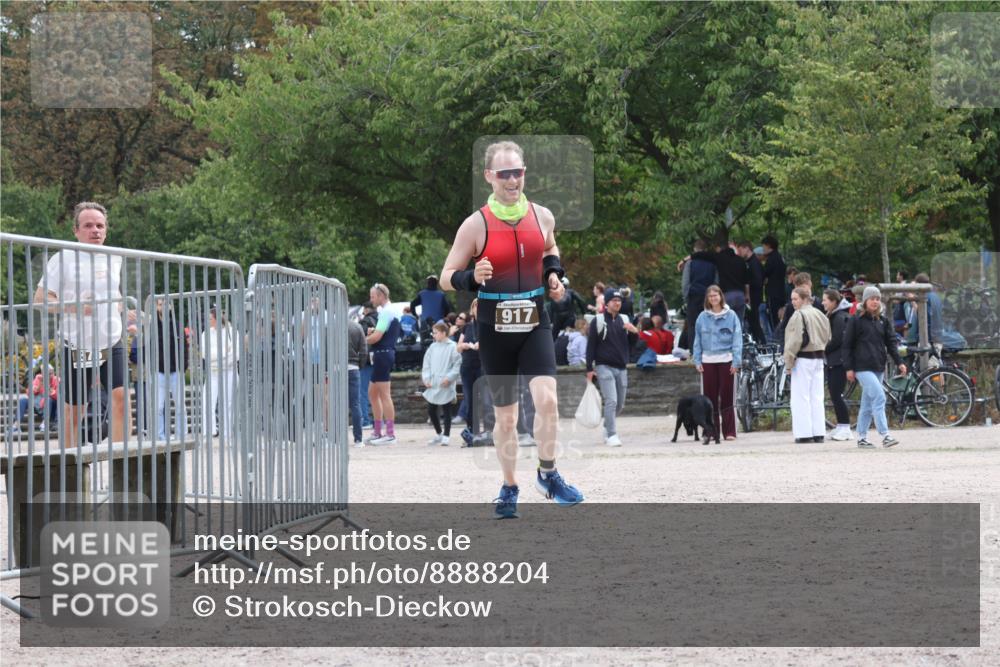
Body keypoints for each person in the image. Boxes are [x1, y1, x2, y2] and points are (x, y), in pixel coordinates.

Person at [441, 139, 584, 518]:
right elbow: (444, 276)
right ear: (489, 176)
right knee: (505, 417)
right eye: (503, 173)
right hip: (494, 327)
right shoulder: (475, 225)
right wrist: (472, 276)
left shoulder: (542, 216)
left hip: (535, 321)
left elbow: (551, 249)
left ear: (524, 173)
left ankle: (548, 473)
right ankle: (509, 486)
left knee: (549, 402)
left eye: (517, 172)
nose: (511, 180)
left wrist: (554, 275)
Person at [33, 202, 133, 448]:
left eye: (100, 226)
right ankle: (71, 467)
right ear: (76, 231)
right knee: (75, 409)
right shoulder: (62, 258)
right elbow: (40, 300)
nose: (95, 230)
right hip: (77, 343)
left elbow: (113, 294)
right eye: (88, 225)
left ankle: (123, 465)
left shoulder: (114, 258)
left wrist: (125, 310)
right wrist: (74, 306)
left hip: (110, 340)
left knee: (121, 397)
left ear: (106, 231)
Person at [843, 286, 907, 449]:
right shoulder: (855, 320)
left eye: (878, 299)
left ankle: (862, 437)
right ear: (865, 300)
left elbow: (891, 343)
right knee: (880, 397)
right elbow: (847, 346)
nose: (875, 301)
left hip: (878, 365)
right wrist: (849, 367)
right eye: (872, 298)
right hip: (862, 367)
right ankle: (885, 435)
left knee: (867, 404)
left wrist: (899, 362)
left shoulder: (883, 321)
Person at [586, 290, 639, 447]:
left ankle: (607, 426)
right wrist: (589, 368)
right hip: (604, 366)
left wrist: (635, 332)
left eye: (619, 300)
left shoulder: (624, 320)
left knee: (620, 403)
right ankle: (611, 434)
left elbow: (631, 344)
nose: (617, 303)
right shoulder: (598, 320)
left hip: (621, 367)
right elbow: (591, 346)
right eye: (614, 300)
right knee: (611, 400)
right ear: (607, 303)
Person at [692, 285, 743, 442]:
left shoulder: (731, 315)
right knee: (709, 398)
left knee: (727, 397)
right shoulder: (702, 317)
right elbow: (697, 340)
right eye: (710, 296)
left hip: (726, 360)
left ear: (721, 296)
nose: (713, 298)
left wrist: (736, 361)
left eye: (716, 295)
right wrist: (697, 359)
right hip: (708, 360)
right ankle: (711, 431)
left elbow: (737, 339)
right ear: (707, 299)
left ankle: (729, 432)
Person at [783, 286, 832, 443]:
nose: (793, 302)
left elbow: (794, 341)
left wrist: (788, 362)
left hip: (803, 358)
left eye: (795, 299)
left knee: (800, 397)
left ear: (804, 299)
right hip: (818, 358)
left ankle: (804, 433)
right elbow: (828, 336)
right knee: (817, 397)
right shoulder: (820, 314)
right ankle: (818, 432)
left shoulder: (799, 315)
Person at [365, 283, 401, 445]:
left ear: (381, 296)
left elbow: (377, 337)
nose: (371, 299)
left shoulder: (386, 312)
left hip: (382, 354)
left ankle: (390, 433)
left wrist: (362, 340)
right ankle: (378, 431)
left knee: (384, 394)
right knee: (373, 394)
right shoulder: (388, 311)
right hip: (383, 354)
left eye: (373, 296)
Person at [152, 298, 188, 441]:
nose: (164, 307)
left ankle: (181, 437)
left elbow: (184, 347)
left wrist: (183, 367)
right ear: (156, 307)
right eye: (161, 304)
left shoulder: (178, 325)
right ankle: (161, 439)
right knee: (158, 408)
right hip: (159, 372)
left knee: (180, 407)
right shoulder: (152, 326)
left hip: (176, 372)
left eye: (167, 304)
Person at [200, 306, 238, 440]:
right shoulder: (206, 333)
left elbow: (235, 355)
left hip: (229, 371)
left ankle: (227, 434)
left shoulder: (231, 332)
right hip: (213, 372)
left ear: (216, 319)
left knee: (227, 403)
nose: (207, 321)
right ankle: (208, 432)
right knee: (207, 402)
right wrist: (223, 352)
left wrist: (216, 357)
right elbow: (205, 354)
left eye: (209, 318)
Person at [421, 322, 462, 446]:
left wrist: (449, 378)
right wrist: (426, 378)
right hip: (434, 383)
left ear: (444, 333)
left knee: (446, 409)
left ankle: (446, 435)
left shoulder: (453, 346)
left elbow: (457, 364)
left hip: (445, 383)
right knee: (431, 410)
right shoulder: (432, 347)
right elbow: (426, 364)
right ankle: (439, 433)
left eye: (435, 332)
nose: (433, 335)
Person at [823, 288, 853, 441]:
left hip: (839, 360)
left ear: (834, 302)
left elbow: (837, 340)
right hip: (835, 360)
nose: (823, 303)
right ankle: (841, 425)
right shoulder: (835, 315)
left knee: (837, 394)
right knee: (835, 394)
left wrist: (823, 349)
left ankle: (846, 426)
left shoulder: (839, 317)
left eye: (825, 300)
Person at [457, 299, 486, 445]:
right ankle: (471, 432)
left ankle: (488, 432)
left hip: (483, 365)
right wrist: (467, 345)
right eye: (475, 306)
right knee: (470, 399)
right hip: (468, 366)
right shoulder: (467, 327)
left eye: (480, 306)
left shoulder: (487, 325)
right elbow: (458, 346)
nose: (477, 309)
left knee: (486, 399)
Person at [679, 239, 717, 351]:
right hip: (709, 296)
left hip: (694, 296)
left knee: (692, 325)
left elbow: (685, 282)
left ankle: (693, 350)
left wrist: (686, 297)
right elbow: (716, 282)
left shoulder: (690, 263)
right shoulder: (712, 264)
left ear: (695, 250)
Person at [12, 365, 59, 434]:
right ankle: (16, 425)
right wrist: (37, 388)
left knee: (49, 399)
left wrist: (49, 390)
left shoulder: (56, 380)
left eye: (52, 373)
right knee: (23, 400)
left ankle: (45, 423)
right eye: (48, 373)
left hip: (50, 409)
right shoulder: (38, 378)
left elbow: (59, 396)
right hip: (39, 406)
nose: (50, 375)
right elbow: (29, 392)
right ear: (43, 373)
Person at [736, 241, 766, 343]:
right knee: (753, 323)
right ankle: (758, 344)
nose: (739, 253)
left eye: (740, 250)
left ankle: (762, 344)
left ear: (747, 248)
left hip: (754, 298)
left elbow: (758, 281)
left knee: (755, 323)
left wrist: (746, 284)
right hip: (753, 297)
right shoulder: (750, 262)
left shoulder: (753, 263)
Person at [761, 235, 787, 332]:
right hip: (781, 293)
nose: (763, 249)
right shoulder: (780, 257)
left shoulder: (771, 259)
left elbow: (764, 274)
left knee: (773, 320)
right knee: (781, 318)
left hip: (773, 294)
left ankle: (776, 341)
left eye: (764, 246)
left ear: (769, 246)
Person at [347, 318, 367, 447]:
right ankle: (358, 439)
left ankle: (336, 439)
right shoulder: (357, 327)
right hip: (353, 367)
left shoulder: (329, 326)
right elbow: (364, 350)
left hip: (335, 367)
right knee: (355, 404)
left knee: (336, 405)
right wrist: (360, 365)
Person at [358, 301, 378, 428]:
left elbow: (359, 339)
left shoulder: (365, 321)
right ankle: (379, 422)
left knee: (363, 391)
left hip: (366, 360)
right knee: (379, 393)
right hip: (379, 358)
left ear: (365, 309)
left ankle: (365, 420)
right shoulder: (381, 319)